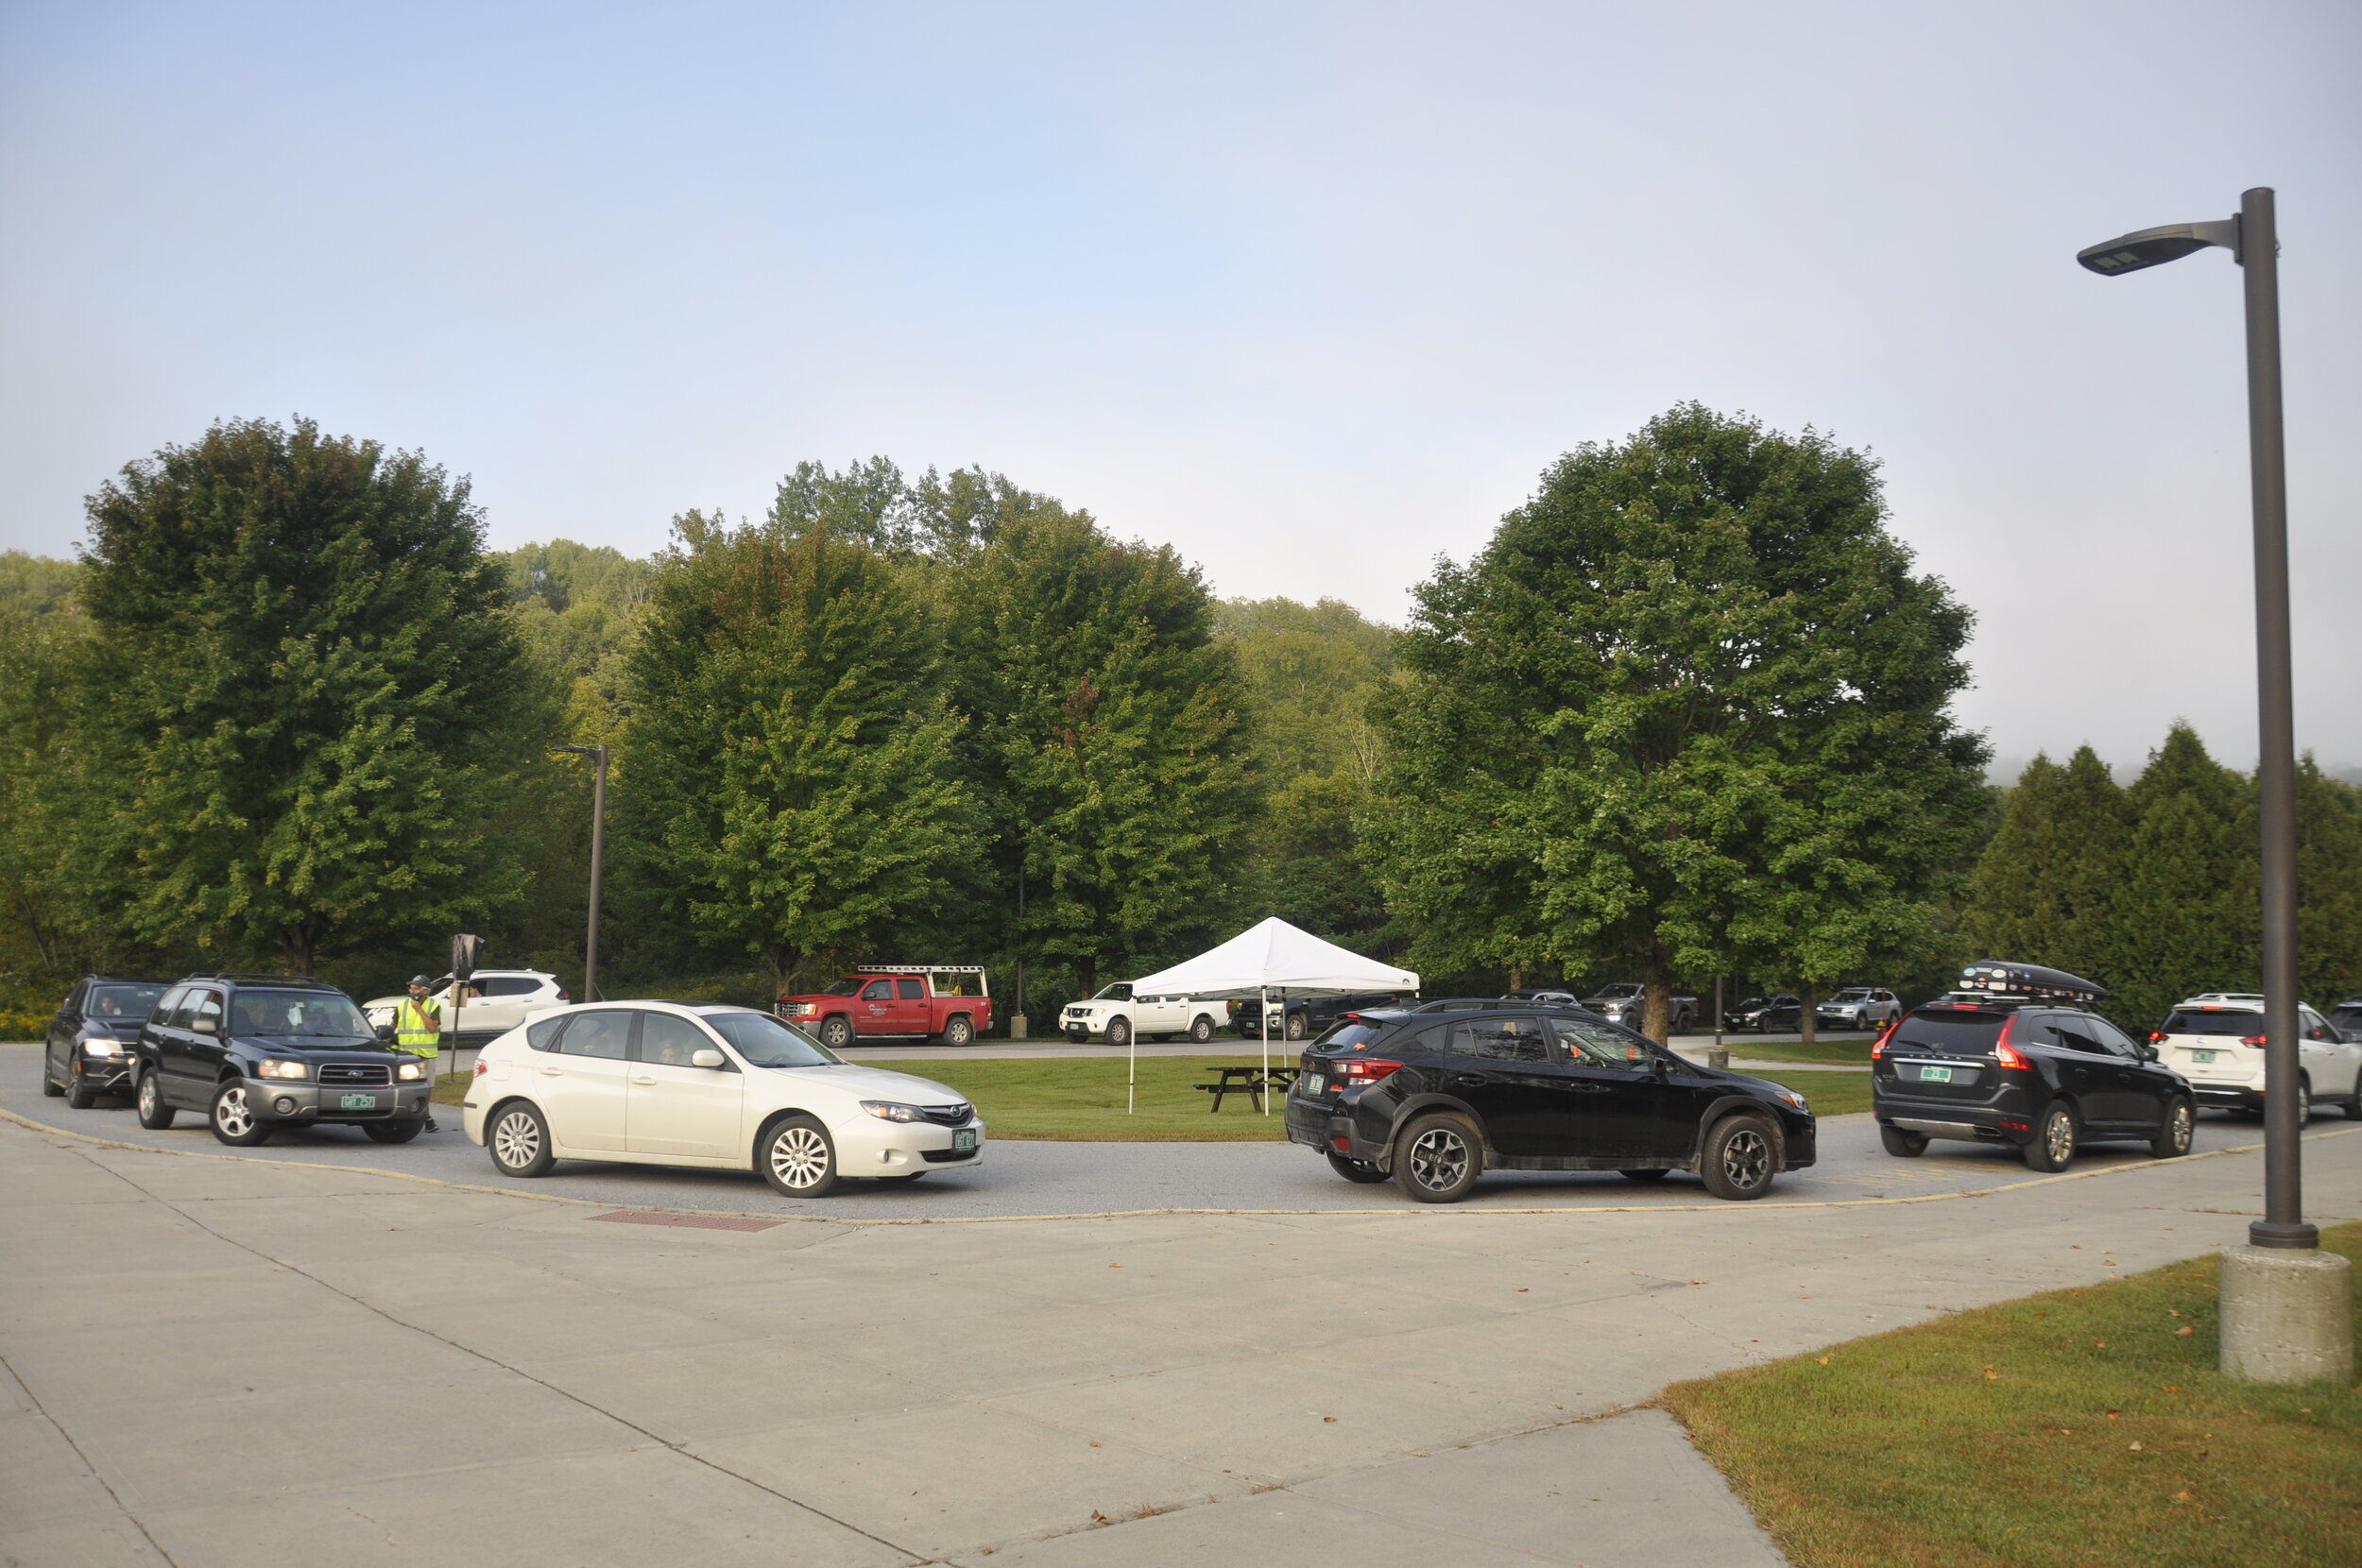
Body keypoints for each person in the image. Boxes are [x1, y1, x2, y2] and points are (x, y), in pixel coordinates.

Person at [391, 976, 443, 1133]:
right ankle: (425, 1118)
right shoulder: (402, 1005)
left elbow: (432, 1028)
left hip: (426, 1054)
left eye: (416, 988)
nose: (412, 991)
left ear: (425, 991)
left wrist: (419, 1010)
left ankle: (425, 1117)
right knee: (404, 1087)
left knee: (425, 1088)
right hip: (406, 1055)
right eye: (411, 988)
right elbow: (391, 1027)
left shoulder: (433, 1005)